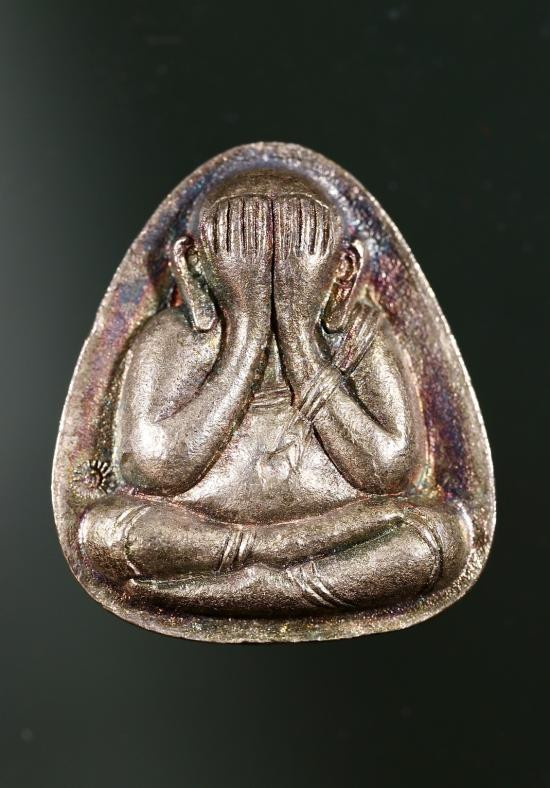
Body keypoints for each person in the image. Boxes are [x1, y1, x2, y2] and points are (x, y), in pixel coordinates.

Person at [79, 172, 471, 616]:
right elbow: (153, 470)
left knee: (441, 534)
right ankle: (274, 569)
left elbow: (390, 471)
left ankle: (242, 582)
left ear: (344, 268)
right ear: (191, 262)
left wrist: (299, 335)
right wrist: (246, 332)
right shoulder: (170, 336)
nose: (270, 268)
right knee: (104, 533)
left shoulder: (361, 333)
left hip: (338, 525)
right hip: (211, 530)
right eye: (243, 242)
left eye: (295, 245)